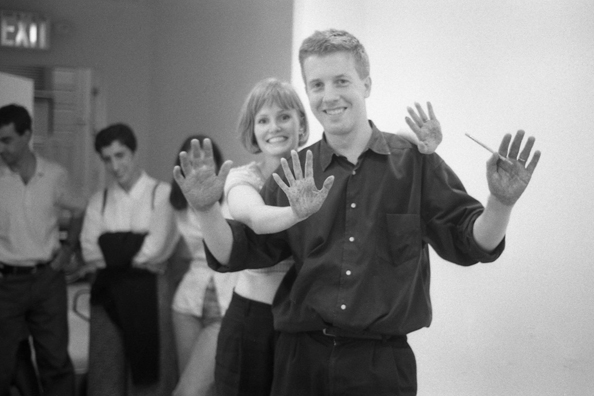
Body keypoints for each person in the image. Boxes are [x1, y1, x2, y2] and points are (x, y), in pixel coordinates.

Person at [176, 28, 541, 396]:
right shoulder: (296, 170)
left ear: (366, 84)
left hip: (381, 368)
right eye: (316, 85)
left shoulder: (415, 163)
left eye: (341, 81)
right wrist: (205, 210)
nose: (329, 96)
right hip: (300, 363)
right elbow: (240, 250)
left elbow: (471, 242)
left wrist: (501, 202)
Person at [174, 76, 439, 396]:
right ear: (252, 130)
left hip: (303, 330)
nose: (275, 127)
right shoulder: (244, 178)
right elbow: (257, 219)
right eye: (263, 120)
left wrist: (417, 140)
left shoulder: (322, 169)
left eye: (284, 116)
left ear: (301, 123)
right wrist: (296, 213)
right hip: (254, 321)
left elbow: (371, 142)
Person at [80, 123, 179, 396]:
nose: (114, 165)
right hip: (107, 294)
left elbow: (156, 248)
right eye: (107, 159)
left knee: (150, 372)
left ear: (133, 153)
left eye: (120, 155)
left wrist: (110, 246)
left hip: (150, 293)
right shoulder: (98, 201)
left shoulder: (160, 193)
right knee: (104, 370)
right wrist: (136, 246)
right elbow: (89, 250)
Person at [0, 103, 86, 396]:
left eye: (7, 140)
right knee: (3, 360)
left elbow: (78, 209)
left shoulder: (54, 175)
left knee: (55, 360)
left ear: (26, 135)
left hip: (47, 279)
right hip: (6, 283)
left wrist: (68, 250)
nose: (2, 148)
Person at [169, 135, 238, 396]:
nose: (198, 165)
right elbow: (162, 248)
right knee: (195, 387)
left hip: (226, 304)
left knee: (190, 391)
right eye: (190, 160)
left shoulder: (235, 195)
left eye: (203, 159)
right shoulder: (176, 205)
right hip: (187, 304)